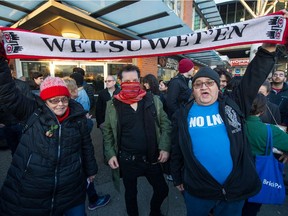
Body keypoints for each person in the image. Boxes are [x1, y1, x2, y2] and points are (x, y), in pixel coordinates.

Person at [170, 42, 277, 216]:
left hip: (234, 189)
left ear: (218, 87)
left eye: (209, 83)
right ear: (193, 90)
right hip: (198, 190)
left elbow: (253, 77)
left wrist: (268, 48)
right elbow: (176, 148)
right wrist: (177, 177)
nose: (204, 87)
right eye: (198, 84)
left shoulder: (234, 104)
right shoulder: (181, 115)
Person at [0, 52, 98, 215]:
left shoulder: (77, 118)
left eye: (64, 99)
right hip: (33, 191)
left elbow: (86, 146)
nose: (60, 104)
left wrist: (91, 170)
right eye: (54, 100)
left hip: (71, 190)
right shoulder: (32, 112)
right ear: (45, 101)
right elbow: (8, 94)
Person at [103, 64, 172, 216]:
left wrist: (165, 147)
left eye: (135, 80)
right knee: (130, 193)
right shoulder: (113, 105)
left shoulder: (152, 100)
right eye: (127, 81)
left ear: (139, 81)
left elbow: (166, 125)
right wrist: (110, 154)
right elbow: (107, 131)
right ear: (120, 82)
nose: (131, 84)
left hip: (151, 158)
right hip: (127, 160)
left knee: (162, 190)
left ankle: (155, 211)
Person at [62, 76, 111, 211]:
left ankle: (93, 198)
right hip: (75, 156)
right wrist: (87, 121)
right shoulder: (70, 108)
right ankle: (92, 200)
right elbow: (78, 135)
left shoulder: (70, 106)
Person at [242, 93, 288, 216]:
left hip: (233, 176)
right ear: (262, 110)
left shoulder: (234, 125)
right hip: (258, 176)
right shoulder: (270, 130)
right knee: (250, 209)